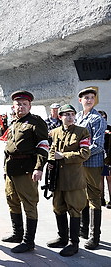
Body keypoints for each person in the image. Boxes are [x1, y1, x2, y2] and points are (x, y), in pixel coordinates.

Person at [2, 90, 49, 253]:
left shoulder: (36, 122)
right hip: (11, 169)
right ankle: (17, 234)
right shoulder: (14, 123)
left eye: (24, 104)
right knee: (12, 200)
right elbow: (8, 149)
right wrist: (4, 170)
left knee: (29, 203)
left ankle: (29, 241)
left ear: (29, 106)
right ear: (13, 107)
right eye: (18, 104)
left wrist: (39, 167)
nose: (21, 106)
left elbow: (43, 146)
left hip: (27, 169)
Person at [46, 104, 91, 257]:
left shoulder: (82, 132)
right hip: (58, 178)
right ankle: (62, 238)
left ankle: (74, 243)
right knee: (58, 207)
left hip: (73, 179)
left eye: (72, 114)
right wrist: (51, 161)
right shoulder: (55, 132)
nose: (70, 117)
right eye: (66, 114)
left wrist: (64, 156)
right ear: (60, 117)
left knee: (74, 209)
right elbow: (52, 149)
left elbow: (85, 153)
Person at [75, 87, 106, 250]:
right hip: (80, 164)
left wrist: (80, 156)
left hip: (92, 163)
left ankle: (95, 237)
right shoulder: (79, 117)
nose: (89, 100)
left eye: (92, 97)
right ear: (80, 100)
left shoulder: (97, 118)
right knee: (82, 196)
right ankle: (83, 229)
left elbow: (99, 145)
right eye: (86, 97)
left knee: (94, 198)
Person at [98, 111, 111, 209]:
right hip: (99, 157)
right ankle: (101, 199)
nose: (103, 120)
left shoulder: (110, 129)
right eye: (101, 118)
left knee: (109, 179)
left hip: (109, 157)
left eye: (105, 118)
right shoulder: (96, 129)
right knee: (100, 179)